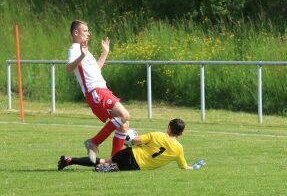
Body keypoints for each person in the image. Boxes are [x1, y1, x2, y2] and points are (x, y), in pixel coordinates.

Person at [67, 20, 130, 163]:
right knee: (124, 115)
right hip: (95, 91)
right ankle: (93, 142)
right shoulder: (74, 49)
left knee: (123, 125)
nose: (88, 33)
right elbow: (69, 68)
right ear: (76, 33)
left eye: (88, 31)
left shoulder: (84, 50)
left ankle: (115, 162)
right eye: (85, 31)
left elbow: (96, 69)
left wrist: (105, 53)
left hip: (102, 89)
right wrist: (82, 55)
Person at [58, 118, 206, 171]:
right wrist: (195, 166)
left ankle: (70, 160)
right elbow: (184, 167)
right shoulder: (179, 149)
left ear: (168, 127)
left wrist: (131, 134)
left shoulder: (156, 135)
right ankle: (104, 168)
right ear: (181, 134)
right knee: (106, 164)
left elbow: (134, 141)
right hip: (137, 166)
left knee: (106, 161)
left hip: (129, 153)